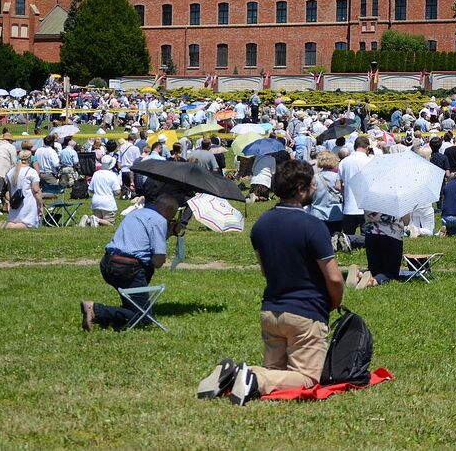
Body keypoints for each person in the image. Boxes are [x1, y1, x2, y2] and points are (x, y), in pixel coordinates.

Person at [197, 160, 344, 405]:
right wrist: (333, 302)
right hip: (306, 312)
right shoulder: (313, 226)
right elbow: (334, 278)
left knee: (277, 376)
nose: (315, 189)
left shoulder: (261, 224)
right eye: (312, 185)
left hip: (271, 310)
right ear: (300, 188)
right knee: (307, 378)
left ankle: (236, 377)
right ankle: (248, 376)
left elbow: (266, 270)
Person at [80, 194, 180, 331]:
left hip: (108, 263)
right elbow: (158, 261)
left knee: (133, 307)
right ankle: (96, 310)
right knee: (145, 319)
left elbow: (144, 240)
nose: (171, 219)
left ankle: (108, 319)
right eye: (172, 215)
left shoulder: (136, 213)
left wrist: (169, 232)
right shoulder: (159, 220)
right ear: (168, 211)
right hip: (128, 269)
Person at [336, 136, 372, 237]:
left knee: (347, 237)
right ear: (367, 147)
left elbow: (338, 186)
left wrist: (346, 189)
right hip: (365, 206)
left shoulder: (344, 162)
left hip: (349, 205)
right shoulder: (369, 161)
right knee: (367, 238)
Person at [0, 150, 42, 229]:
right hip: (27, 204)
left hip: (15, 203)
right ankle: (7, 226)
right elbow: (36, 191)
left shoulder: (11, 172)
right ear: (30, 159)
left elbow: (10, 191)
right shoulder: (32, 172)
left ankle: (7, 224)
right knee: (29, 225)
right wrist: (40, 205)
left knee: (16, 221)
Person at [81, 155, 122, 228]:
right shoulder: (112, 175)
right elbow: (117, 191)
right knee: (110, 223)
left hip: (96, 201)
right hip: (108, 202)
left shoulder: (96, 174)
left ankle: (89, 219)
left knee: (99, 224)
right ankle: (96, 219)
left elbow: (90, 190)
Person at [309, 150, 343, 236]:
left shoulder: (314, 178)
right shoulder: (337, 177)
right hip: (336, 213)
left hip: (318, 213)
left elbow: (310, 195)